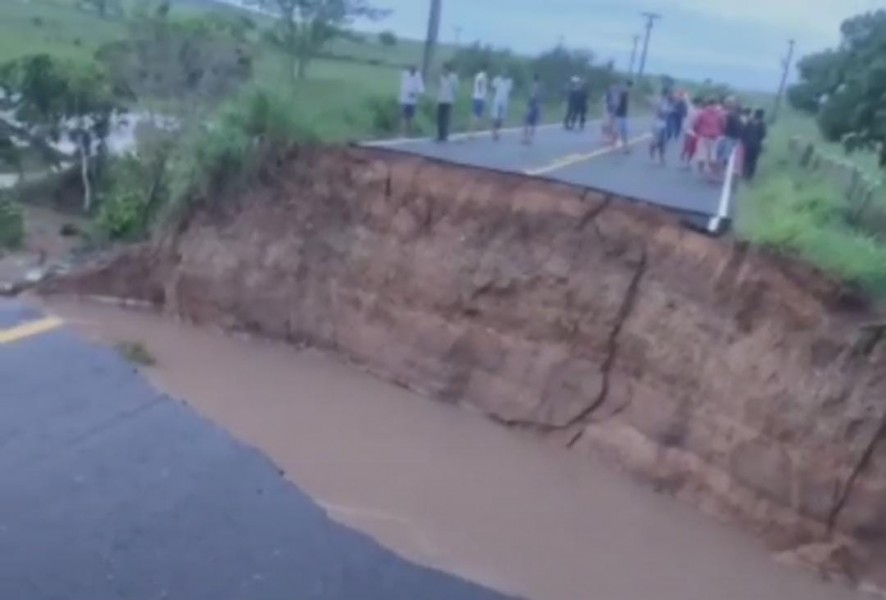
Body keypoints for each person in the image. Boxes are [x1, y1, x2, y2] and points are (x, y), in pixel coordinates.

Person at [694, 98, 724, 177]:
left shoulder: (716, 115)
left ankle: (704, 172)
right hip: (707, 137)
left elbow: (696, 124)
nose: (713, 107)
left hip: (710, 137)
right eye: (712, 105)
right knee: (703, 156)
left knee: (708, 157)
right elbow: (696, 124)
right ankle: (703, 172)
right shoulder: (714, 114)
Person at [398, 65, 424, 137]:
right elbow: (403, 87)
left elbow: (421, 89)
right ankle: (403, 133)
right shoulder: (405, 75)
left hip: (412, 101)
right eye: (411, 70)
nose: (412, 72)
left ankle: (409, 133)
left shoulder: (418, 77)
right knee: (403, 117)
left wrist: (415, 93)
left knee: (411, 118)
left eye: (413, 70)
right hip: (404, 99)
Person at [741, 108, 768, 180]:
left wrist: (743, 141)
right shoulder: (762, 124)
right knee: (753, 161)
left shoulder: (750, 122)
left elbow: (744, 132)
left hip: (748, 144)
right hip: (756, 145)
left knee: (746, 159)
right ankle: (749, 176)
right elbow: (763, 136)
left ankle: (744, 173)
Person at [436, 64, 458, 143]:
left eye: (445, 70)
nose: (444, 71)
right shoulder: (441, 77)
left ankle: (445, 135)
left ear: (448, 70)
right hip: (441, 100)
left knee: (446, 118)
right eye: (443, 70)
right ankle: (440, 135)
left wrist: (454, 98)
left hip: (448, 100)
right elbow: (439, 88)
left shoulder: (453, 78)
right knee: (439, 118)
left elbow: (455, 89)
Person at [649, 91, 672, 165]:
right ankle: (652, 150)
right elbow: (660, 113)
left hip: (663, 125)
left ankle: (662, 158)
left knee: (663, 142)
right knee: (657, 141)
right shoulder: (660, 102)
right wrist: (666, 112)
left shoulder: (667, 103)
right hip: (657, 124)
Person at [680, 95, 701, 168]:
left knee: (692, 148)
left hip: (695, 131)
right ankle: (684, 155)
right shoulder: (691, 108)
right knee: (688, 145)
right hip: (689, 129)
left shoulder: (700, 111)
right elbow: (686, 100)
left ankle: (687, 160)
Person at [490, 72, 513, 141]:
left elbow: (509, 91)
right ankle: (494, 133)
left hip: (504, 102)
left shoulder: (509, 82)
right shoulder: (497, 80)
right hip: (497, 101)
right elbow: (493, 87)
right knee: (495, 117)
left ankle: (498, 132)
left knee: (502, 118)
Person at [612, 80, 632, 152]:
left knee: (624, 131)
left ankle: (625, 146)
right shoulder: (622, 94)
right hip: (620, 115)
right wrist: (614, 113)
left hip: (624, 115)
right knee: (618, 130)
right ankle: (615, 143)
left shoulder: (626, 94)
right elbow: (617, 103)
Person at [469, 67, 489, 137]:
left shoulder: (477, 75)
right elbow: (480, 83)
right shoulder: (482, 75)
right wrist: (481, 91)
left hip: (476, 97)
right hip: (480, 98)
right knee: (476, 116)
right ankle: (472, 133)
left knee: (476, 115)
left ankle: (472, 132)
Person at [522, 74, 541, 145]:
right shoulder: (538, 87)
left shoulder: (534, 86)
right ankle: (530, 139)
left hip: (532, 105)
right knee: (533, 123)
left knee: (526, 121)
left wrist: (528, 106)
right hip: (536, 106)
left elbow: (533, 97)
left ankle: (526, 138)